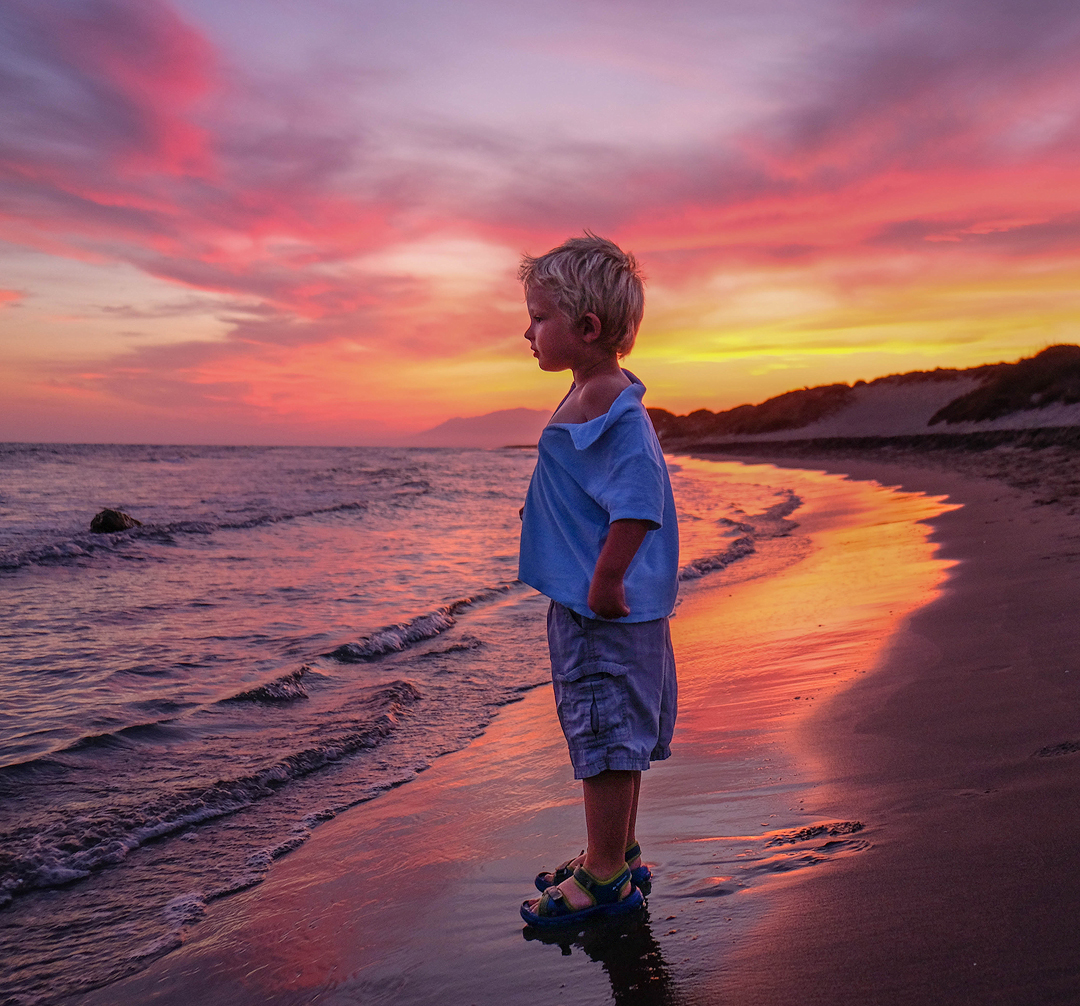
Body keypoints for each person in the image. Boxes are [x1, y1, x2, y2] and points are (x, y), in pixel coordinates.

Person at [517, 233, 679, 927]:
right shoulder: (592, 393)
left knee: (605, 736)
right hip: (601, 603)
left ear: (585, 328)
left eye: (539, 317)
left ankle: (607, 878)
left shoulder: (608, 403)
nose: (527, 331)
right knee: (617, 736)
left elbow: (638, 500)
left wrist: (607, 578)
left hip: (599, 610)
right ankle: (614, 851)